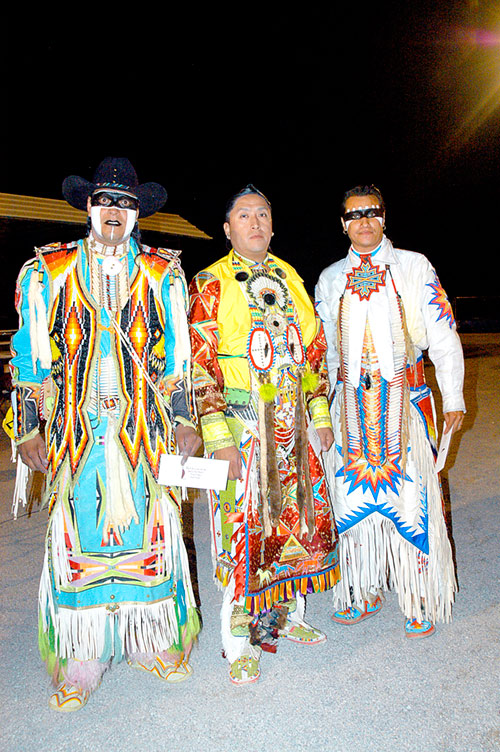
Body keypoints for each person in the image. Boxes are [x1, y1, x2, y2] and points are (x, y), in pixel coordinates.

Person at [10, 157, 201, 711]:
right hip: (77, 436)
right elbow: (28, 359)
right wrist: (26, 431)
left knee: (149, 536)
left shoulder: (163, 274)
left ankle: (151, 642)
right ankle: (81, 658)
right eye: (104, 200)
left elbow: (178, 361)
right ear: (88, 208)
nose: (115, 211)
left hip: (143, 436)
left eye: (126, 202)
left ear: (139, 213)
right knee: (80, 540)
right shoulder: (47, 272)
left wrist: (186, 421)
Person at [189, 184, 339, 684]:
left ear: (273, 226)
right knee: (242, 531)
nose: (255, 222)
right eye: (244, 215)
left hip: (292, 426)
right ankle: (238, 643)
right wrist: (218, 435)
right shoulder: (210, 282)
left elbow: (313, 353)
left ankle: (285, 618)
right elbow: (199, 363)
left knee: (295, 524)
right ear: (228, 229)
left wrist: (319, 417)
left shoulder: (290, 276)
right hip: (244, 427)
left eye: (263, 214)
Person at [315, 184, 465, 638]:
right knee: (352, 500)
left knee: (409, 497)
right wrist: (317, 407)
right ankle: (362, 587)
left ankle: (417, 591)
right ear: (343, 223)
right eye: (353, 214)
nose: (363, 220)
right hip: (350, 410)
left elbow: (442, 332)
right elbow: (324, 353)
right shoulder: (330, 278)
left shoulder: (414, 267)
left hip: (403, 404)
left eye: (371, 212)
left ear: (384, 218)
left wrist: (453, 395)